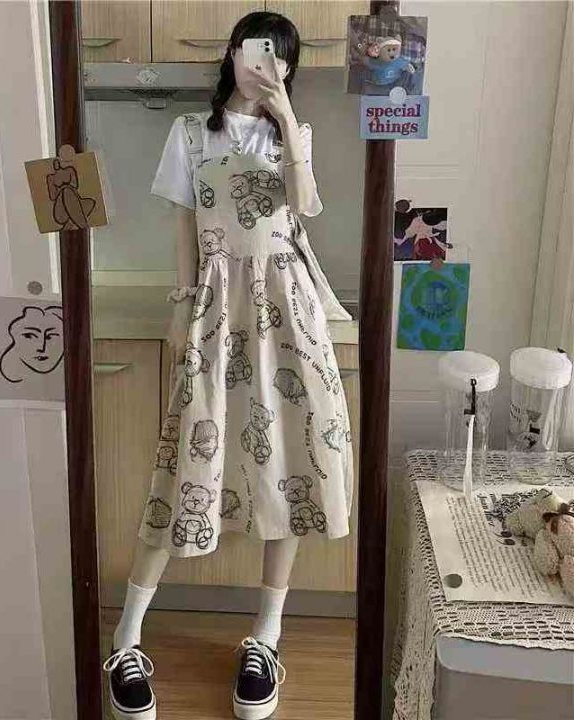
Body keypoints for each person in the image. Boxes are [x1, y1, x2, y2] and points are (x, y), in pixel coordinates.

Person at [103, 12, 354, 720]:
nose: (263, 63)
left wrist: (287, 118)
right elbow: (184, 227)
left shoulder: (294, 134)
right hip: (216, 304)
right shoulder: (191, 132)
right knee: (186, 461)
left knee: (292, 460)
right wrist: (182, 305)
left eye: (279, 55)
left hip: (286, 306)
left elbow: (305, 206)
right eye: (254, 48)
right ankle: (126, 636)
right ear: (231, 54)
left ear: (290, 68)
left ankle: (266, 636)